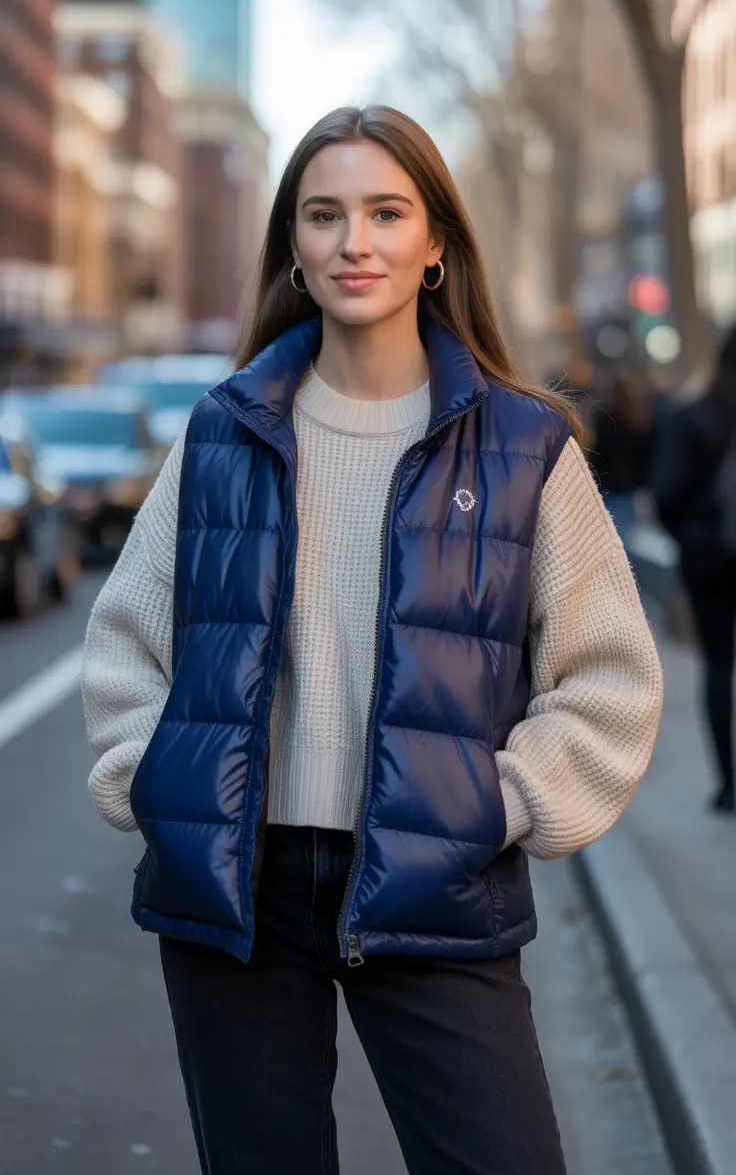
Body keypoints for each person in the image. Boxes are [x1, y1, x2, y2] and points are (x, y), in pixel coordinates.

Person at [81, 106, 662, 1175]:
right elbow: (125, 636)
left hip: (435, 877)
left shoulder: (524, 445)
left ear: (434, 244)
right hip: (234, 887)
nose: (355, 241)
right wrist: (144, 777)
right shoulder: (223, 430)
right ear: (294, 249)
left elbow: (608, 673)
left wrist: (507, 802)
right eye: (324, 215)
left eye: (386, 212)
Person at [651, 326, 736, 814]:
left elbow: (667, 492)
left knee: (720, 667)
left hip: (710, 563)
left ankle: (728, 782)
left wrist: (692, 539)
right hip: (710, 554)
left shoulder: (698, 418)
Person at [589, 367, 655, 547]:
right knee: (631, 540)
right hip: (631, 490)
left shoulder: (604, 418)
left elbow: (598, 454)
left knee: (612, 539)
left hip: (609, 487)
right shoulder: (639, 420)